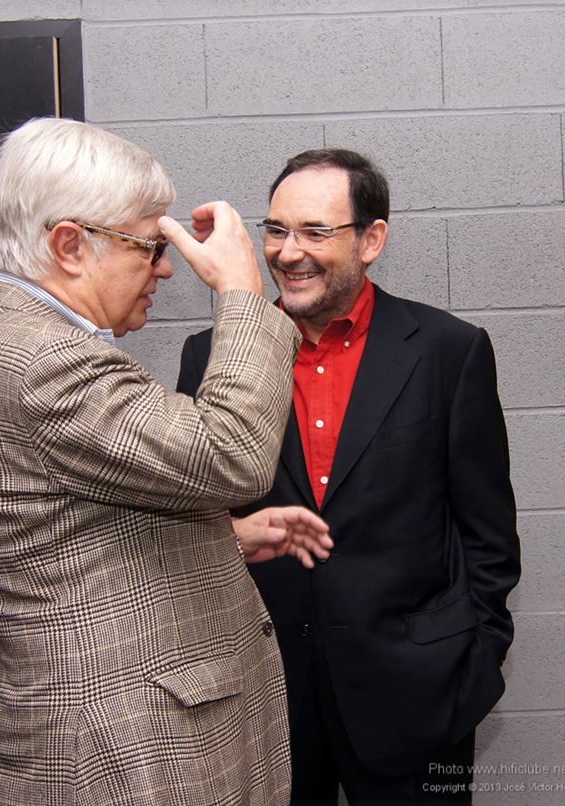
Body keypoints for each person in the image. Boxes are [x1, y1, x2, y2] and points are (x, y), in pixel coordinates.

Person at [0, 118, 333, 806]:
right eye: (149, 246)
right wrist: (239, 292)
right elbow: (232, 452)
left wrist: (223, 537)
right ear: (69, 245)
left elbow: (62, 531)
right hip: (122, 760)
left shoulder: (12, 338)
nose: (166, 267)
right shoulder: (42, 360)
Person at [177, 149, 521, 804]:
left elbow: (489, 540)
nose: (287, 251)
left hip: (417, 696)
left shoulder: (449, 352)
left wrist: (472, 660)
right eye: (275, 230)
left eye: (314, 232)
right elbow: (199, 517)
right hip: (266, 697)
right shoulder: (213, 355)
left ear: (371, 240)